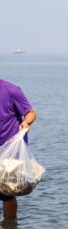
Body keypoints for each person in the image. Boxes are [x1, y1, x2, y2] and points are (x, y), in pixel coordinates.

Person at [0, 79, 36, 220]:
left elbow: (30, 112)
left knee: (7, 193)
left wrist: (26, 122)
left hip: (10, 150)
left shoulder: (10, 89)